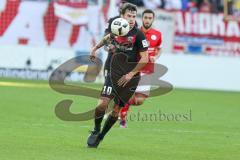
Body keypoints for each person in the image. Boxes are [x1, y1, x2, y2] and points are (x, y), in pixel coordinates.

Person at [87, 3, 148, 148]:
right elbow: (108, 37)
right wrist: (95, 48)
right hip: (114, 73)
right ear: (122, 16)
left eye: (134, 16)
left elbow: (145, 58)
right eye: (129, 16)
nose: (132, 19)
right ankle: (96, 129)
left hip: (131, 77)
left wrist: (131, 73)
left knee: (116, 110)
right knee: (102, 104)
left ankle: (101, 136)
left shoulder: (138, 34)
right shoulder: (117, 27)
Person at [119, 9, 162, 128]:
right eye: (145, 17)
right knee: (129, 94)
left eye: (150, 18)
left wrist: (156, 56)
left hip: (148, 69)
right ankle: (122, 120)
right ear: (142, 18)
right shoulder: (135, 33)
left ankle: (118, 105)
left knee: (139, 100)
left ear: (153, 19)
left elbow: (159, 48)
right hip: (134, 68)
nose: (147, 20)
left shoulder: (157, 34)